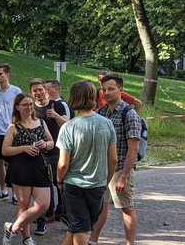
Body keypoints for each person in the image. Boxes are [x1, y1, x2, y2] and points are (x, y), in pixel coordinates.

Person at [56, 80, 117, 245]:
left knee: (79, 228)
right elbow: (113, 159)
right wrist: (106, 181)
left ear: (73, 97)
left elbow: (63, 164)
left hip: (74, 184)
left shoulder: (69, 127)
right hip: (97, 184)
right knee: (77, 226)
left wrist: (59, 180)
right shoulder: (107, 124)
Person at [89, 74, 141, 245]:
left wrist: (124, 176)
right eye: (104, 89)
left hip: (120, 169)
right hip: (102, 169)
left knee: (126, 207)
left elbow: (133, 148)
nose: (106, 92)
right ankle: (93, 241)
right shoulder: (100, 113)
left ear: (121, 90)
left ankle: (129, 243)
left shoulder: (129, 114)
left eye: (111, 89)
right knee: (100, 207)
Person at [2, 93, 54, 245]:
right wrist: (23, 148)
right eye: (25, 105)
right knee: (23, 204)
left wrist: (46, 144)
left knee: (43, 204)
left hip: (39, 165)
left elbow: (52, 143)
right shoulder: (14, 127)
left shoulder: (41, 122)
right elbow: (5, 150)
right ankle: (27, 238)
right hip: (21, 167)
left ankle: (12, 227)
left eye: (31, 104)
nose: (29, 107)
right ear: (17, 107)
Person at [30, 78, 68, 235]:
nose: (38, 93)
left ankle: (63, 212)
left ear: (45, 90)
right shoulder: (31, 108)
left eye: (40, 89)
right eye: (35, 91)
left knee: (60, 182)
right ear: (32, 93)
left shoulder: (57, 105)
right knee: (45, 183)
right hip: (40, 152)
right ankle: (48, 213)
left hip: (58, 150)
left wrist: (56, 116)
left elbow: (67, 124)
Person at [0, 63, 22, 204]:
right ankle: (4, 191)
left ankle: (15, 194)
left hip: (10, 131)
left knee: (13, 163)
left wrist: (17, 125)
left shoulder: (15, 91)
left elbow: (21, 108)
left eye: (0, 73)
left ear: (7, 75)